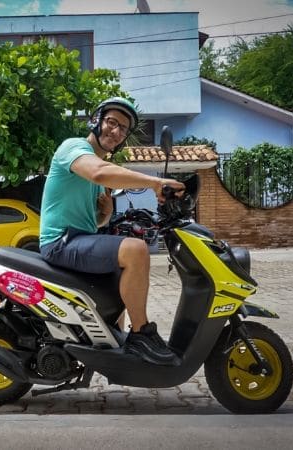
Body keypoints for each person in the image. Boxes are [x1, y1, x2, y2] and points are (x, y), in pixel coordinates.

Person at [39, 97, 184, 365]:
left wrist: (104, 214)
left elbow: (95, 221)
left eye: (122, 129)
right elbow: (99, 173)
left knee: (122, 268)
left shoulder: (96, 170)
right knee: (136, 250)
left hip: (80, 237)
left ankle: (114, 339)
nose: (115, 132)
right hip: (60, 241)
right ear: (96, 121)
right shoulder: (74, 148)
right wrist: (155, 183)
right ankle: (141, 335)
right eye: (111, 122)